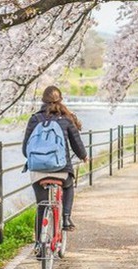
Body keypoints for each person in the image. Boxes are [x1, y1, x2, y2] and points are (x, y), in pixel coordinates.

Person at [22, 86, 88, 239]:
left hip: (38, 171)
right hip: (62, 169)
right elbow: (76, 144)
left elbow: (25, 149)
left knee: (42, 205)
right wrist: (84, 156)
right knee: (69, 185)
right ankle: (66, 218)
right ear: (61, 100)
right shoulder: (66, 119)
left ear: (43, 100)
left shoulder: (34, 119)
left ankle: (39, 244)